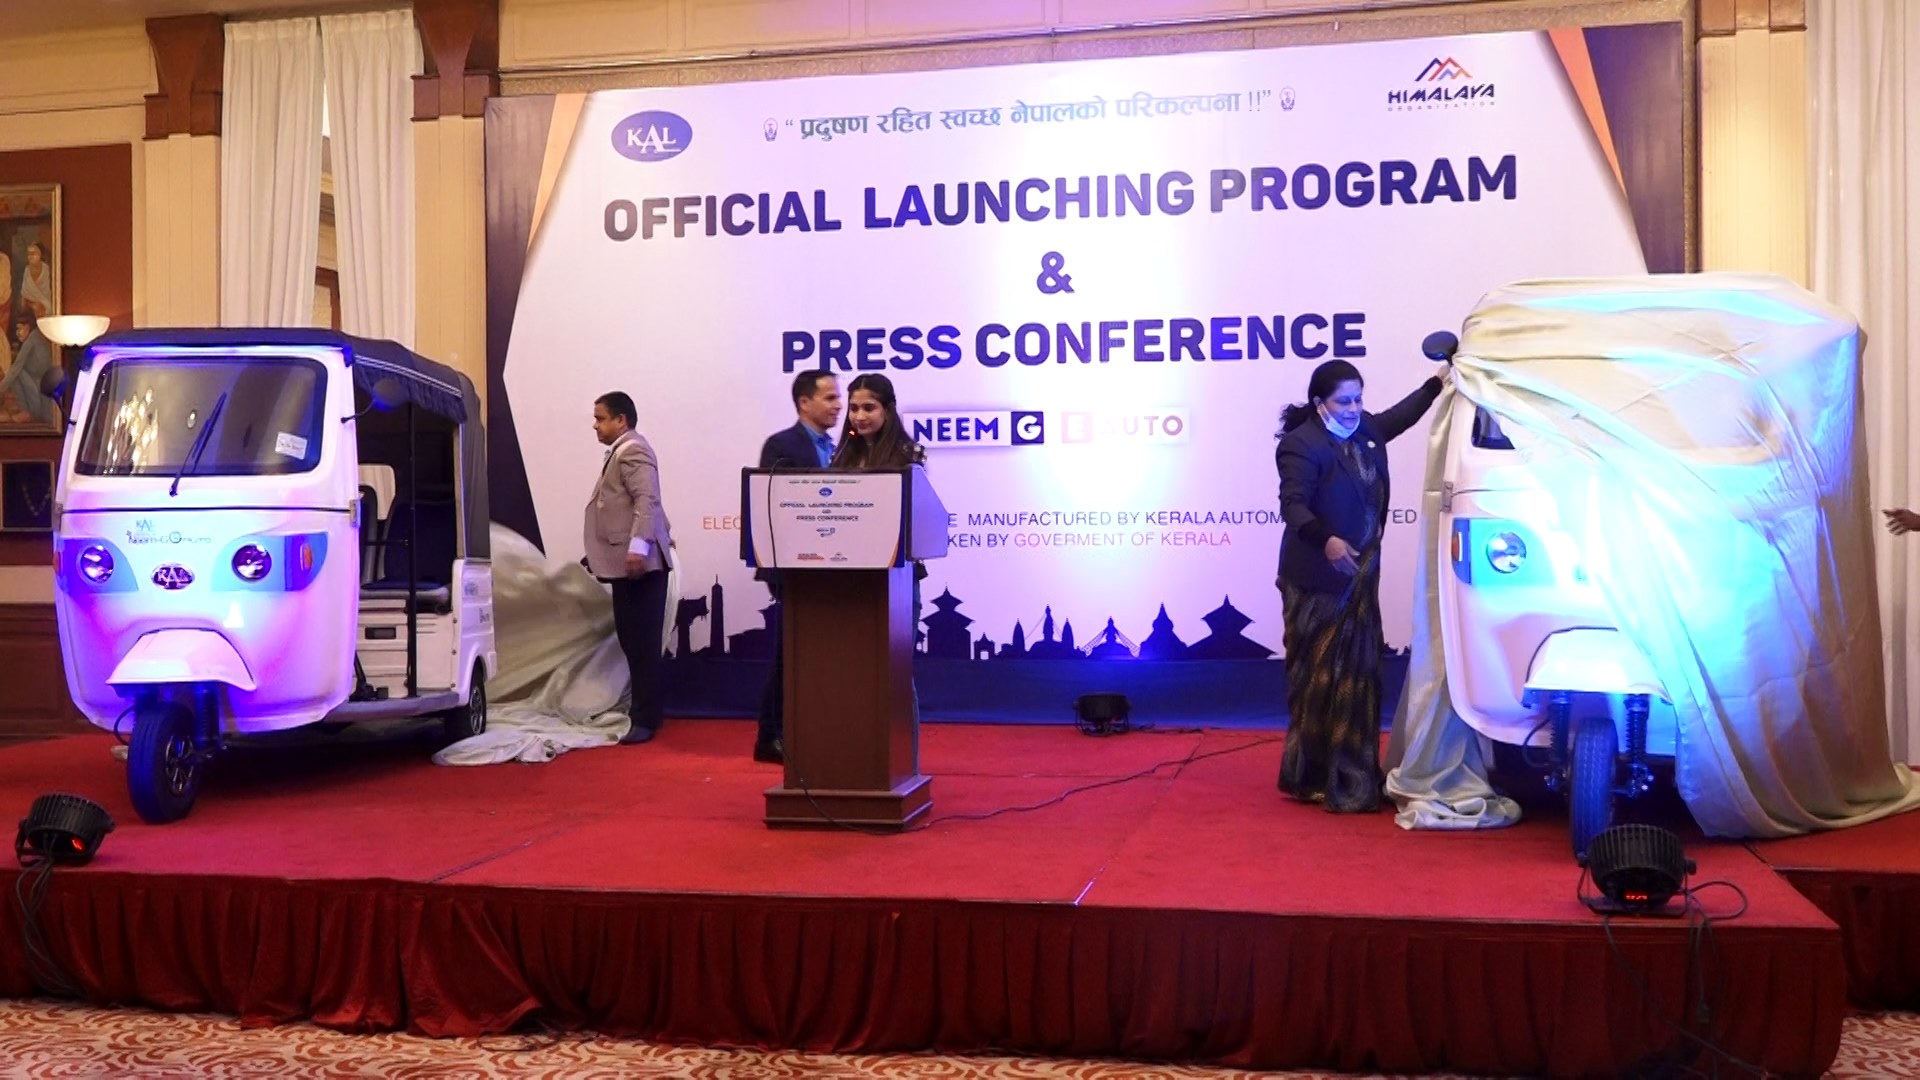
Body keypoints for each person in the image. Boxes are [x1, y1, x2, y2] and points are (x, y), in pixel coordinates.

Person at [1275, 357, 1449, 812]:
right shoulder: (1301, 445)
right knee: (1320, 680)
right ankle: (1312, 775)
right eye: (1343, 402)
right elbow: (1293, 506)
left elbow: (1400, 417)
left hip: (1360, 576)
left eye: (1358, 399)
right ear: (1320, 403)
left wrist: (1436, 383)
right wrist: (1327, 540)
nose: (1354, 409)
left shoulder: (1367, 428)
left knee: (1359, 676)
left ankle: (1352, 773)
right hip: (1317, 582)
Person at [751, 371, 843, 764]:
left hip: (833, 568)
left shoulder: (840, 448)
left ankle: (813, 731)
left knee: (820, 656)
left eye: (838, 397)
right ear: (804, 403)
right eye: (830, 398)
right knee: (790, 656)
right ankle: (770, 737)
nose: (839, 405)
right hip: (793, 568)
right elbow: (778, 507)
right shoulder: (782, 445)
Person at [583, 391, 674, 745]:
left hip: (641, 566)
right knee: (633, 642)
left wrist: (638, 548)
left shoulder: (633, 450)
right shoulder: (622, 451)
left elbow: (646, 500)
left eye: (601, 418)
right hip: (628, 566)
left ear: (621, 420)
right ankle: (647, 713)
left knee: (641, 644)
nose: (595, 425)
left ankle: (645, 720)